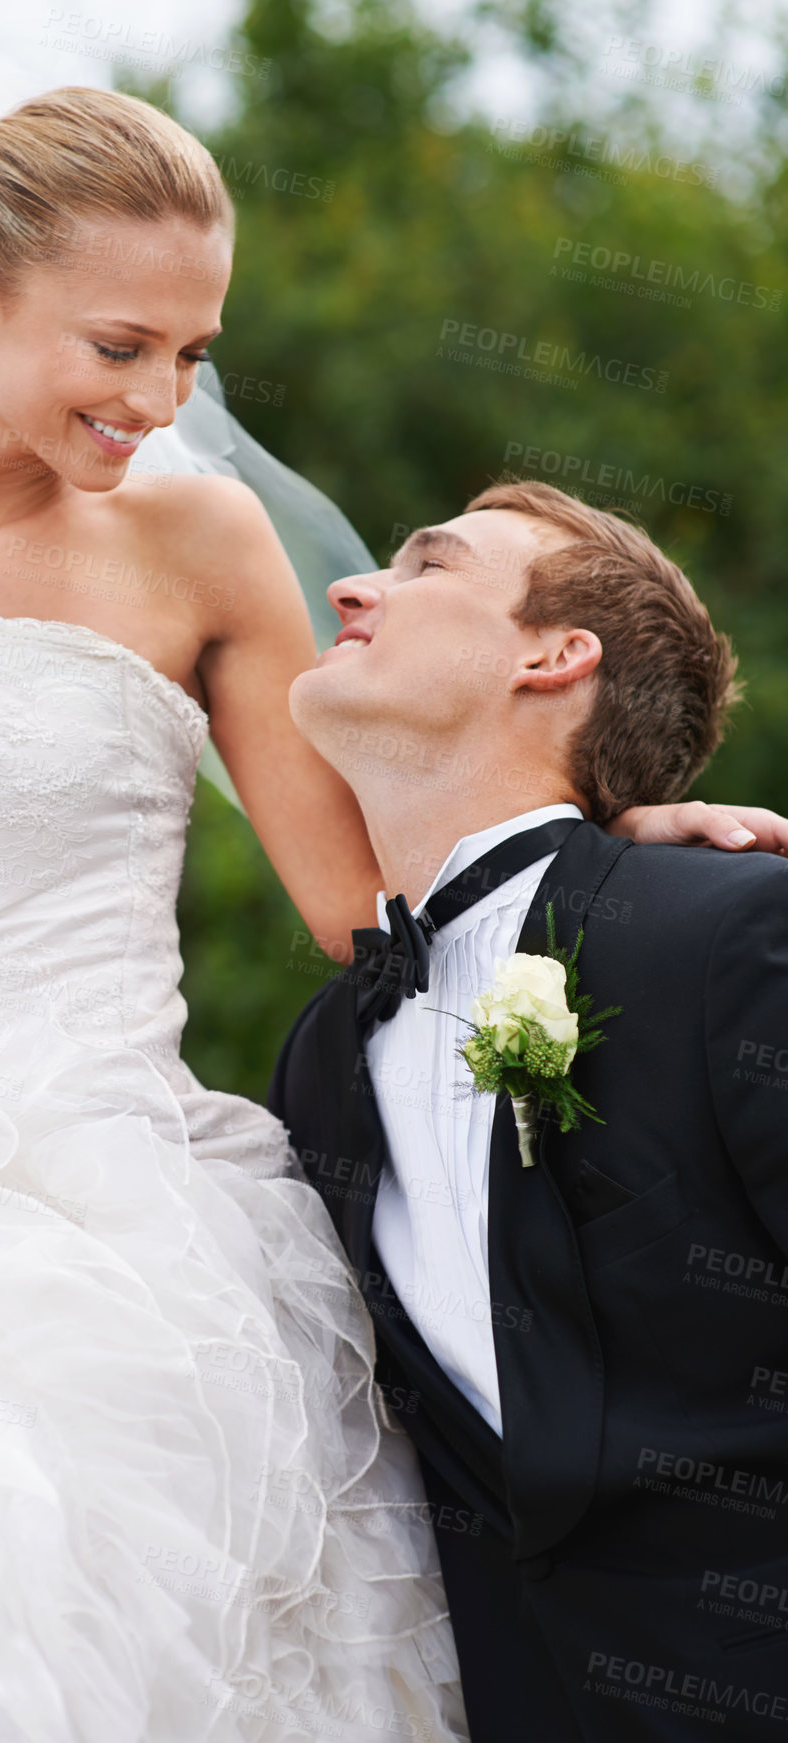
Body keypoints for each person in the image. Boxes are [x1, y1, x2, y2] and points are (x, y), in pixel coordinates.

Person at [0, 51, 777, 1742]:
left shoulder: (199, 546)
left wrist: (612, 845)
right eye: (122, 347)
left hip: (104, 1225)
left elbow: (365, 910)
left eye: (193, 351)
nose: (163, 398)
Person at [269, 479, 788, 1742]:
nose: (350, 588)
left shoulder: (727, 932)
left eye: (426, 567)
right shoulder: (320, 1057)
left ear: (556, 656)